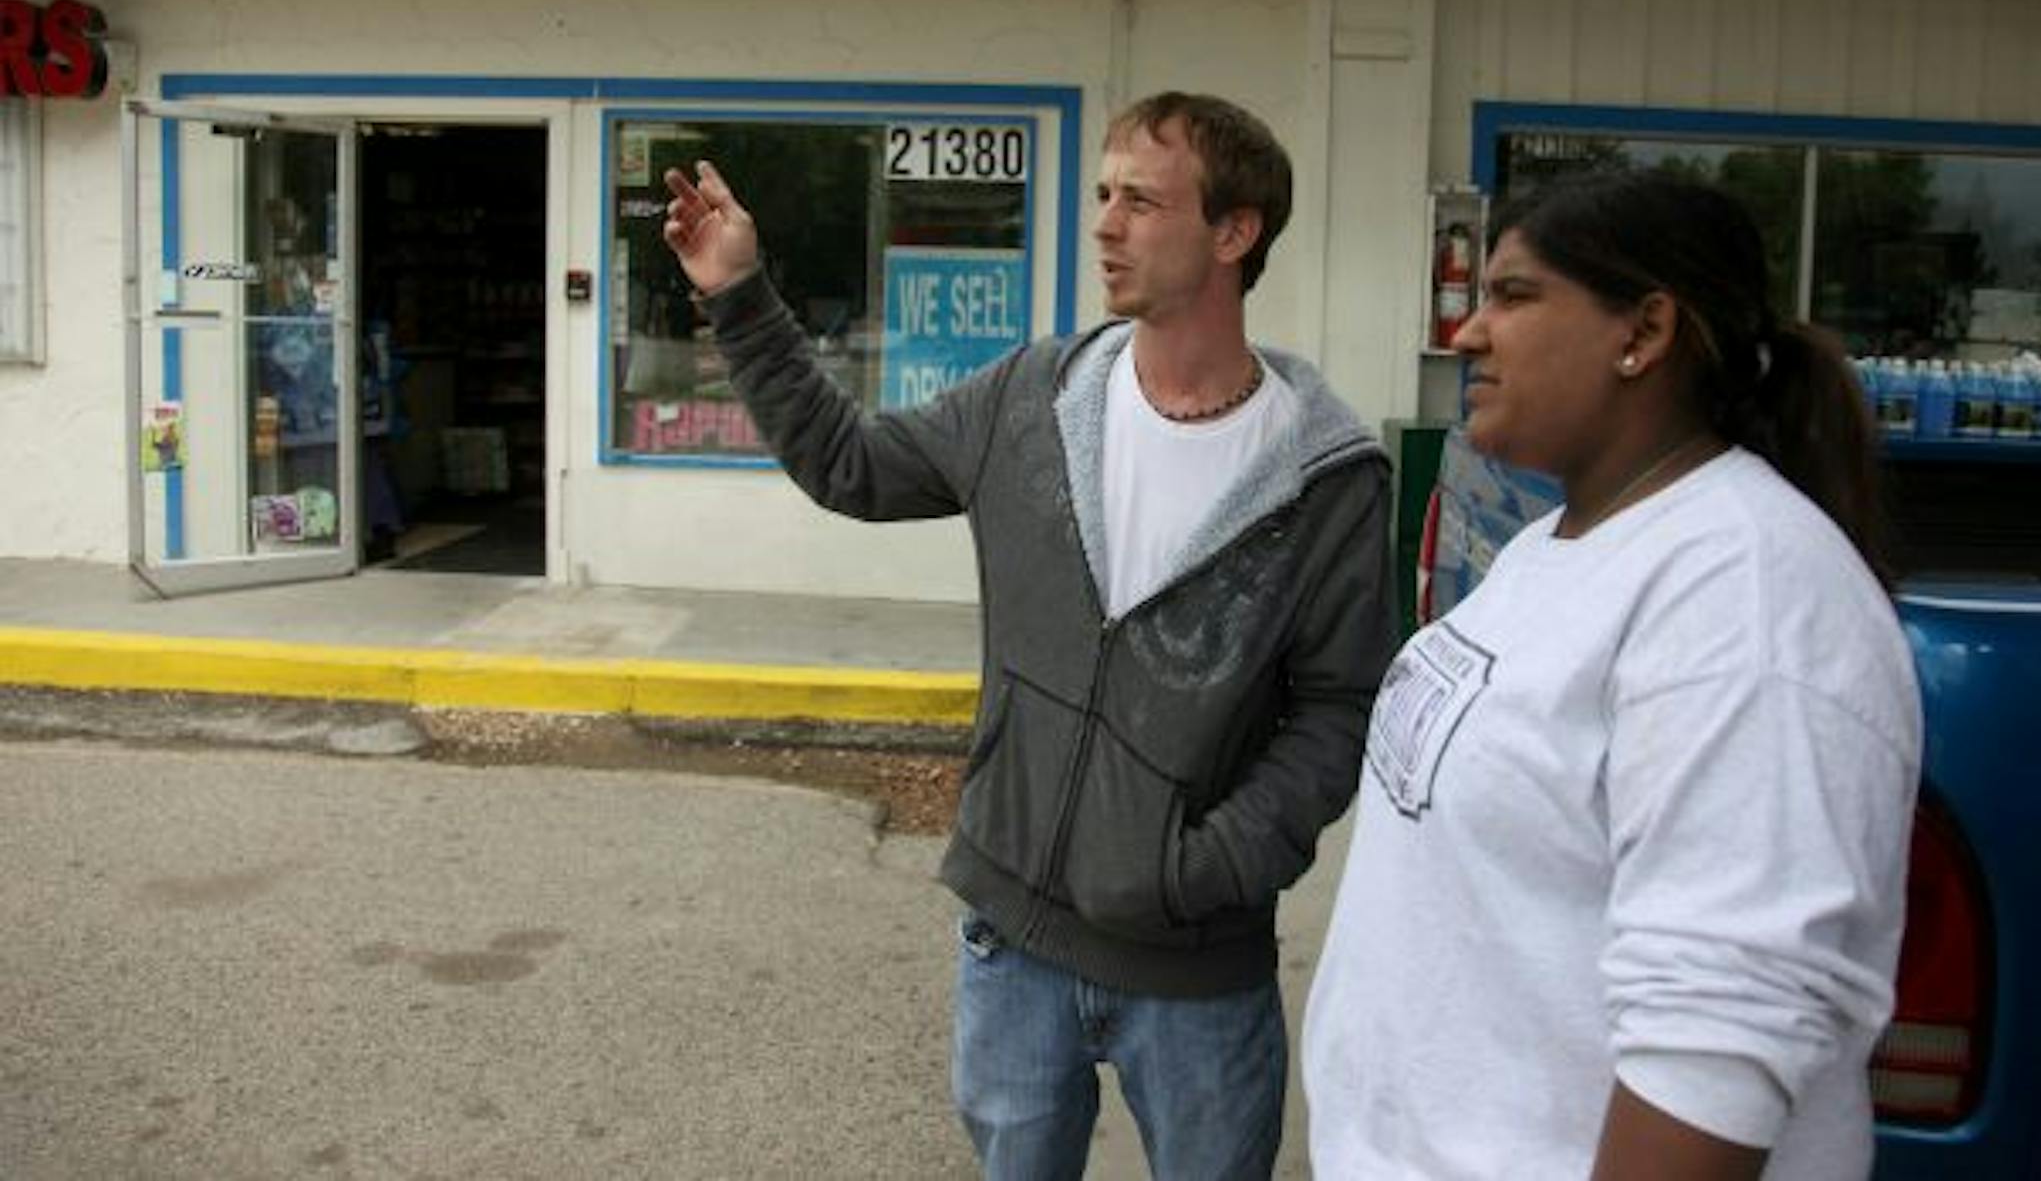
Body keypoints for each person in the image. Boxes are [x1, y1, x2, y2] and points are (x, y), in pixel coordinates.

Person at [663, 92, 1395, 1180]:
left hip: (1197, 970)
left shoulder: (1326, 479)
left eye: (1141, 200)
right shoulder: (1032, 397)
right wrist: (739, 293)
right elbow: (849, 464)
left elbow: (1338, 710)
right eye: (1103, 192)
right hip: (1011, 950)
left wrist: (1211, 866)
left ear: (1235, 233)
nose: (1105, 222)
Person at [1302, 169, 1921, 1180]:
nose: (1467, 332)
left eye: (1515, 295)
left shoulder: (1748, 595)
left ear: (1645, 331)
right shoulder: (1563, 540)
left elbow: (1714, 1048)